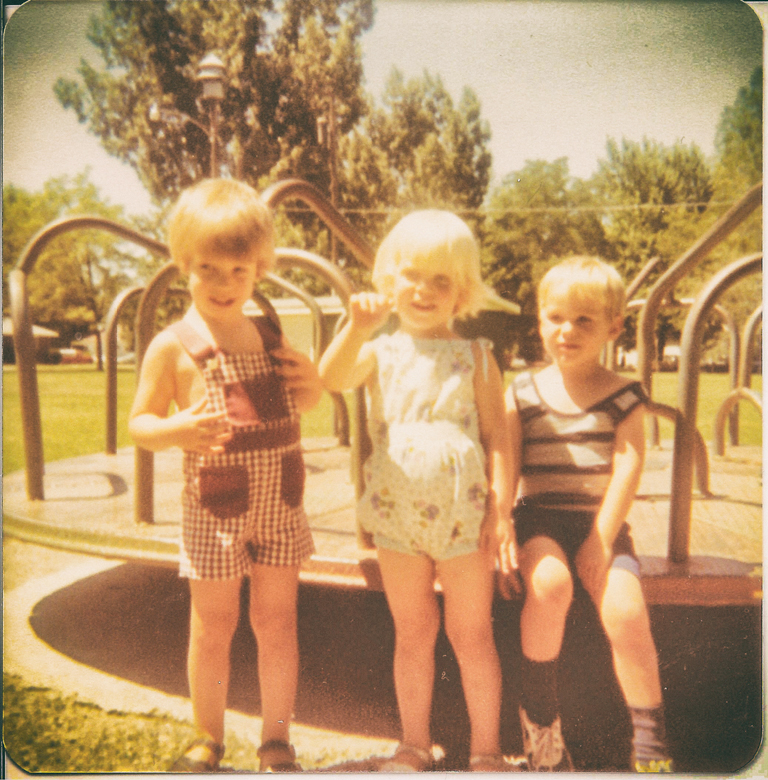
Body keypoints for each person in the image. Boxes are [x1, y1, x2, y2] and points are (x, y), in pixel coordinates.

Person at [129, 179, 322, 773]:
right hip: (213, 514)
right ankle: (207, 738)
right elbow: (139, 424)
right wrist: (176, 430)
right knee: (214, 625)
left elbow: (307, 403)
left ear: (259, 269)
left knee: (276, 622)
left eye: (239, 270)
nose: (224, 284)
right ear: (182, 264)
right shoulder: (173, 345)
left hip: (280, 506)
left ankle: (277, 740)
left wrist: (311, 380)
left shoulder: (270, 338)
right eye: (208, 268)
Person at [319, 210, 516, 772]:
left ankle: (485, 750)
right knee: (413, 633)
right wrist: (356, 326)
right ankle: (412, 743)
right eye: (412, 276)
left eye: (441, 281)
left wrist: (500, 512)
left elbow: (499, 440)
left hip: (464, 519)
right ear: (388, 280)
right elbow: (331, 377)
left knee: (472, 633)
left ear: (463, 292)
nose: (423, 291)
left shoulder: (477, 356)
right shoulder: (380, 351)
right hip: (396, 516)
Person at [502, 256, 673, 772]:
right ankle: (542, 731)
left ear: (613, 327)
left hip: (601, 524)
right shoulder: (523, 390)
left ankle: (651, 745)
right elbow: (507, 462)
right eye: (555, 317)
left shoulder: (624, 394)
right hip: (540, 521)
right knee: (550, 586)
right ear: (539, 320)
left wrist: (601, 539)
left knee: (626, 610)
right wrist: (502, 524)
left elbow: (629, 463)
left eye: (584, 320)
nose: (567, 330)